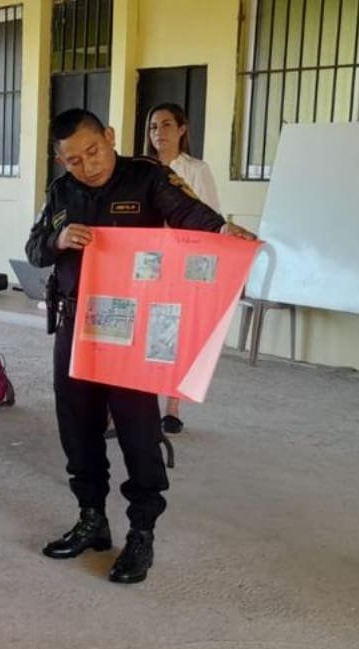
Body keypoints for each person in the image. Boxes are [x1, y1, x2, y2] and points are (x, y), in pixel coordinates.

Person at [25, 109, 254, 585]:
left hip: (134, 330)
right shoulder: (61, 191)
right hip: (77, 324)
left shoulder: (145, 177)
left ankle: (141, 532)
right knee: (77, 427)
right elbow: (34, 248)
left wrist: (224, 231)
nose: (86, 166)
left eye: (93, 152)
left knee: (137, 430)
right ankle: (92, 518)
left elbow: (191, 213)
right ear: (59, 159)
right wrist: (59, 238)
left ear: (109, 138)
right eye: (72, 160)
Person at [146, 102, 222, 435]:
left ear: (181, 129)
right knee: (142, 336)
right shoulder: (140, 168)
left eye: (165, 125)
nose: (158, 133)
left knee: (174, 336)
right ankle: (136, 403)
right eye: (152, 127)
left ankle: (172, 407)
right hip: (147, 264)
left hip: (182, 265)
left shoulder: (196, 170)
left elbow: (210, 219)